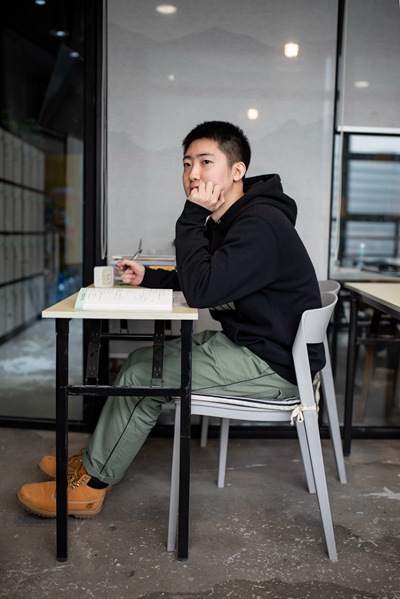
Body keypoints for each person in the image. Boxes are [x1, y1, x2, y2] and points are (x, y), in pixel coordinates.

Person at [17, 120, 324, 518]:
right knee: (139, 361)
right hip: (253, 344)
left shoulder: (259, 224)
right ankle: (93, 460)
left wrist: (191, 217)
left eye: (206, 162)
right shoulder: (235, 219)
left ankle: (89, 488)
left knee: (143, 377)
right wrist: (150, 276)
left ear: (237, 170)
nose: (193, 174)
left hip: (274, 365)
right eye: (187, 163)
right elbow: (208, 276)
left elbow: (203, 291)